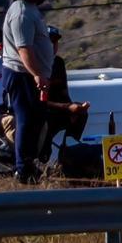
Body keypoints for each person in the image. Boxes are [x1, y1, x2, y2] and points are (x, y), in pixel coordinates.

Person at [2, 0, 55, 183]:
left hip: (30, 74)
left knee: (35, 119)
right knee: (25, 119)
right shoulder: (21, 13)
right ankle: (22, 167)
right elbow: (24, 49)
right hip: (22, 73)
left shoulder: (30, 9)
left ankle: (30, 162)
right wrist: (37, 74)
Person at [38, 25, 90, 162]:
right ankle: (42, 159)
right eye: (49, 41)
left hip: (60, 109)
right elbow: (37, 100)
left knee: (81, 114)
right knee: (45, 122)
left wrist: (73, 108)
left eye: (55, 42)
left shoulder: (59, 63)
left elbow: (64, 92)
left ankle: (68, 154)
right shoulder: (35, 64)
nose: (52, 45)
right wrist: (67, 107)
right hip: (41, 111)